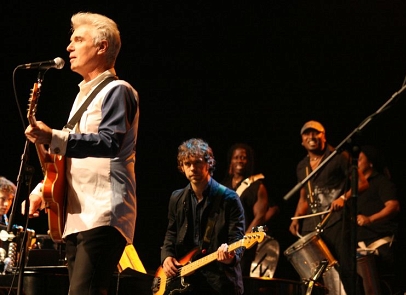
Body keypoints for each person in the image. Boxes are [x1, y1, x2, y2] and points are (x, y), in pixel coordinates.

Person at [22, 12, 139, 295]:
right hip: (77, 216)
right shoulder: (82, 97)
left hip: (103, 211)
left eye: (78, 39)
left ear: (101, 47)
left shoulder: (118, 90)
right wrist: (42, 190)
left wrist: (54, 136)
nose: (69, 47)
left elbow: (109, 143)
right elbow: (69, 157)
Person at [288, 120, 368, 294]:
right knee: (312, 276)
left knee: (347, 270)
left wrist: (342, 198)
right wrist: (296, 218)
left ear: (324, 136)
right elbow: (304, 196)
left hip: (337, 222)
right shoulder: (302, 166)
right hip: (313, 227)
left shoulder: (338, 156)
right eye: (307, 133)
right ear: (302, 140)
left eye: (316, 132)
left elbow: (362, 183)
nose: (311, 136)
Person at [160, 138, 245, 294]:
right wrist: (167, 257)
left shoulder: (229, 199)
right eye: (188, 164)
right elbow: (171, 234)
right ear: (182, 167)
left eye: (198, 163)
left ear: (209, 163)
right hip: (187, 285)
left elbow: (238, 240)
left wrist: (231, 257)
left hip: (220, 283)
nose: (193, 168)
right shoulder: (176, 198)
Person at [221, 143, 279, 277]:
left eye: (243, 157)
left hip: (243, 246)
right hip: (222, 245)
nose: (239, 160)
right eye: (236, 157)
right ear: (231, 161)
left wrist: (243, 239)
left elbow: (260, 216)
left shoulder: (257, 186)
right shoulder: (223, 186)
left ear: (249, 161)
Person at [356, 145, 400, 294]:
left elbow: (393, 206)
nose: (357, 162)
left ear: (371, 163)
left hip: (380, 243)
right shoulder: (355, 188)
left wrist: (370, 219)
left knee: (382, 288)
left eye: (360, 159)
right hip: (361, 246)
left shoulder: (381, 182)